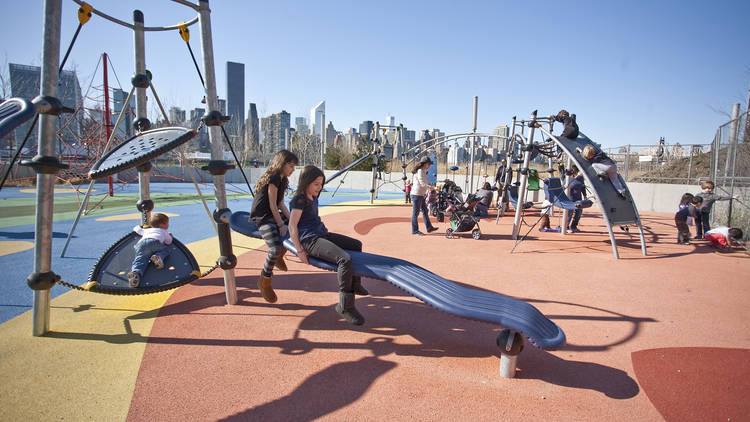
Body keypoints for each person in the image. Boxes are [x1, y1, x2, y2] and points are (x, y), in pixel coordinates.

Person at [289, 165, 368, 325]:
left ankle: (355, 284)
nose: (320, 187)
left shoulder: (313, 197)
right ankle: (345, 306)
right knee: (344, 259)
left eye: (321, 184)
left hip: (322, 234)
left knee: (356, 244)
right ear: (306, 183)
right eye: (316, 184)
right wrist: (300, 251)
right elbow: (292, 226)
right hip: (309, 240)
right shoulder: (300, 200)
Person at [249, 149, 298, 303]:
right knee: (274, 248)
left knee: (294, 227)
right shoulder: (274, 177)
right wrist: (281, 224)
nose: (293, 170)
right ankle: (264, 281)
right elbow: (271, 204)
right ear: (282, 164)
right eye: (290, 166)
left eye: (294, 167)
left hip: (272, 212)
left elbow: (280, 203)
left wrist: (292, 222)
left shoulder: (283, 180)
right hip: (262, 215)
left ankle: (279, 258)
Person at [127, 212, 173, 288]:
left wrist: (140, 226)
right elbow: (169, 242)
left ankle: (135, 274)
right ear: (162, 225)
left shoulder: (147, 230)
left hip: (141, 245)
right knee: (165, 250)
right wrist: (170, 236)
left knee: (140, 259)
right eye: (167, 223)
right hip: (154, 242)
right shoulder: (164, 231)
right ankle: (158, 257)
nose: (168, 225)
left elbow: (136, 229)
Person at [410, 156, 439, 235]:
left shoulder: (422, 171)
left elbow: (427, 182)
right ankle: (415, 230)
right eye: (429, 164)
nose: (429, 166)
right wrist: (431, 187)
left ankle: (429, 227)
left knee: (425, 211)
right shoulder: (420, 171)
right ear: (425, 164)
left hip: (420, 194)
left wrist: (434, 186)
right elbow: (422, 183)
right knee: (415, 213)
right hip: (417, 194)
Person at [566, 165, 587, 233]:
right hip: (570, 198)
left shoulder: (580, 178)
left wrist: (585, 195)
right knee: (570, 213)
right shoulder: (568, 178)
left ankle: (574, 226)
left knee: (579, 212)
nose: (576, 173)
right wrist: (575, 178)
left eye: (576, 171)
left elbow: (583, 187)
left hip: (578, 197)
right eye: (575, 172)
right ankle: (566, 227)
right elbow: (567, 186)